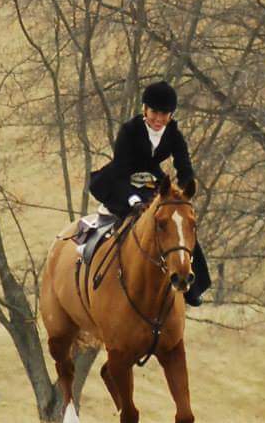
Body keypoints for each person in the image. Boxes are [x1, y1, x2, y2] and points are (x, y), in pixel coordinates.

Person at [89, 80, 210, 306]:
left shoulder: (173, 133)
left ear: (171, 115)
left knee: (181, 228)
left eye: (164, 114)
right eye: (154, 112)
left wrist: (184, 192)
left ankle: (194, 287)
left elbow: (184, 167)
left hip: (151, 183)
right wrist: (132, 199)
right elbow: (121, 169)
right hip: (119, 180)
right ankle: (101, 272)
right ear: (145, 109)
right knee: (123, 224)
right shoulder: (129, 130)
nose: (158, 119)